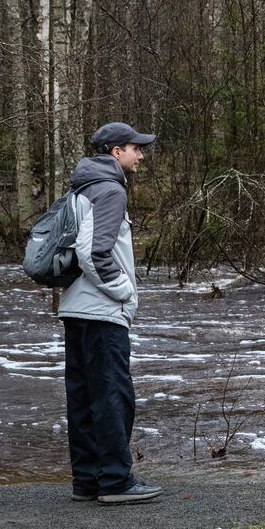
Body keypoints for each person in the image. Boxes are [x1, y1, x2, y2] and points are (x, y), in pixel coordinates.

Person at [58, 122, 162, 503]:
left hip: (75, 308)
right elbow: (92, 251)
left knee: (83, 397)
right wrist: (123, 291)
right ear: (116, 152)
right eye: (136, 148)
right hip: (102, 311)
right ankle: (116, 481)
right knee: (113, 396)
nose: (141, 155)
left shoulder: (81, 187)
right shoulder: (111, 189)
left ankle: (87, 480)